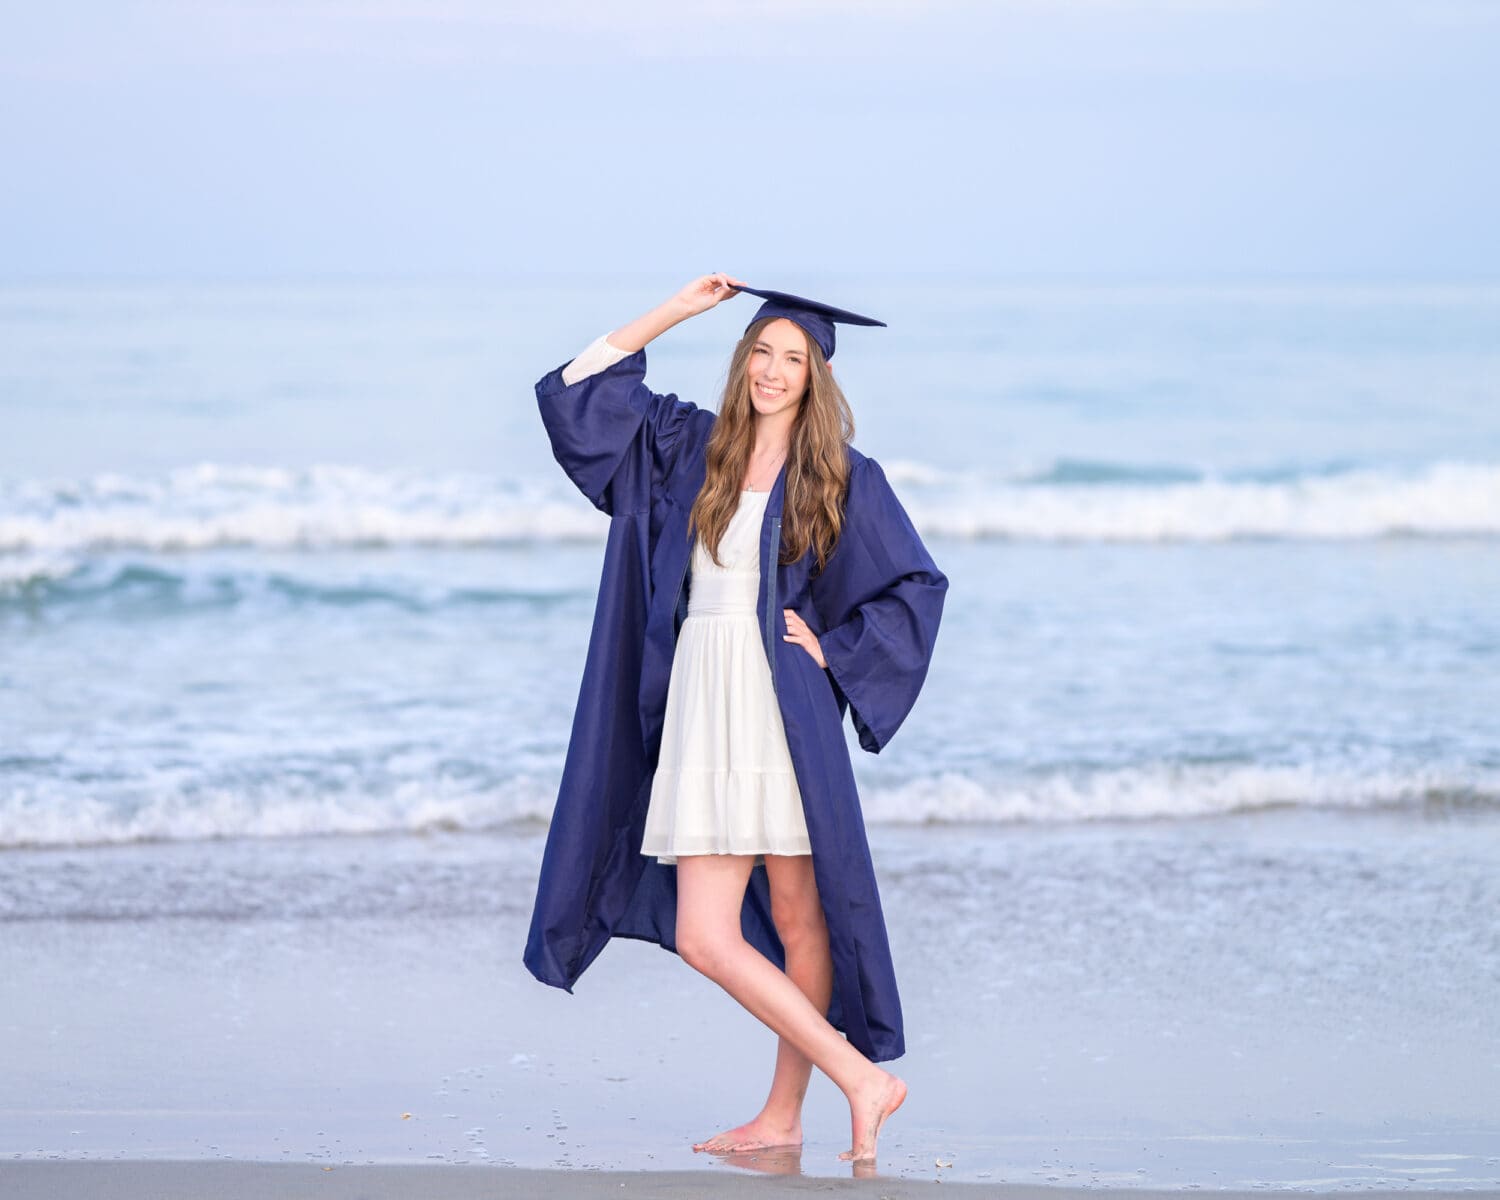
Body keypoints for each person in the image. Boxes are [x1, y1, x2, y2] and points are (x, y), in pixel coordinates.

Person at [523, 273, 948, 1165]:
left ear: (816, 377)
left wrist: (834, 652)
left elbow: (915, 585)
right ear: (742, 358)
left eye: (793, 359)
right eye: (761, 350)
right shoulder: (691, 446)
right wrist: (678, 308)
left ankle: (792, 1113)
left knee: (800, 921)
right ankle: (855, 1080)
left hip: (777, 706)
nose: (773, 370)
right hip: (702, 699)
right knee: (704, 933)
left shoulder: (840, 476)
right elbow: (578, 391)